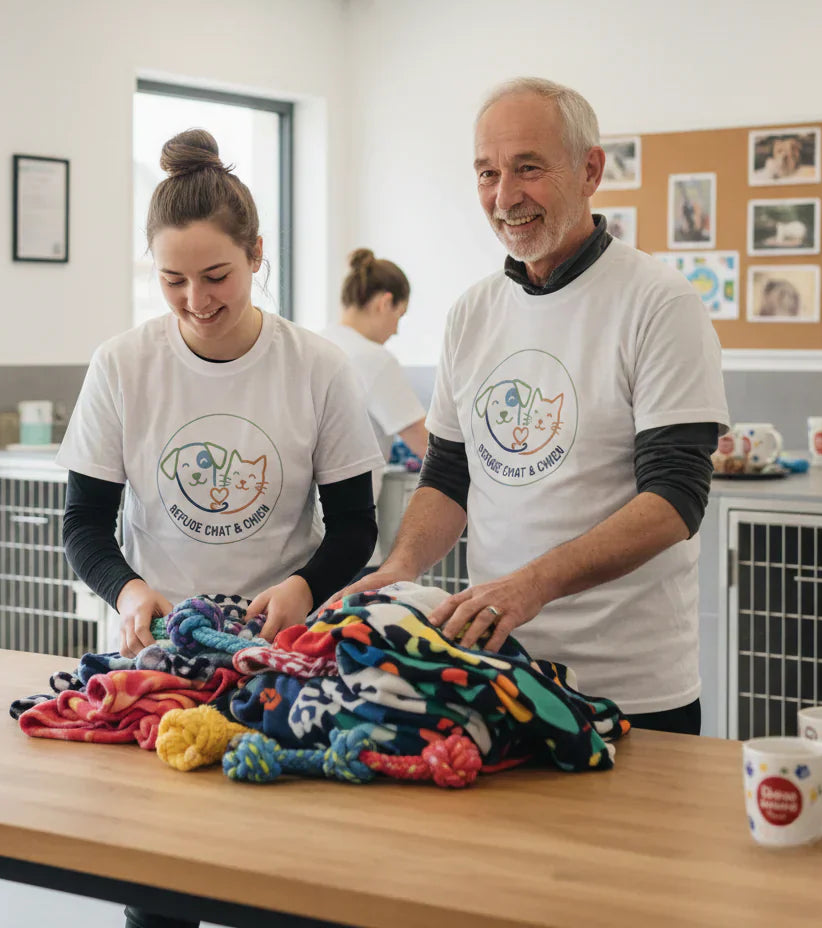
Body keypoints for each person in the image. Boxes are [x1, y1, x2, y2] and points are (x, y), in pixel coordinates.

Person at [57, 129, 383, 928]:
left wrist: (302, 588)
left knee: (274, 885)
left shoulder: (316, 368)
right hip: (162, 661)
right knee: (159, 889)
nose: (197, 302)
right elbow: (85, 523)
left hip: (283, 662)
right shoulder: (124, 365)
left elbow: (354, 527)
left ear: (257, 254)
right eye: (172, 280)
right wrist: (132, 593)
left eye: (216, 276)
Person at [335, 77, 729, 736]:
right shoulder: (473, 314)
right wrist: (401, 566)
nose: (504, 195)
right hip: (502, 675)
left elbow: (676, 500)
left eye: (528, 169)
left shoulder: (660, 305)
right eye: (487, 173)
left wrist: (532, 585)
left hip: (632, 688)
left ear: (590, 170)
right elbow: (448, 476)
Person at [321, 249, 428, 575]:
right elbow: (427, 446)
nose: (395, 330)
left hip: (304, 538)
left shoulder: (316, 345)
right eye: (400, 315)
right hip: (351, 541)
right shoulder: (374, 359)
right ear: (384, 302)